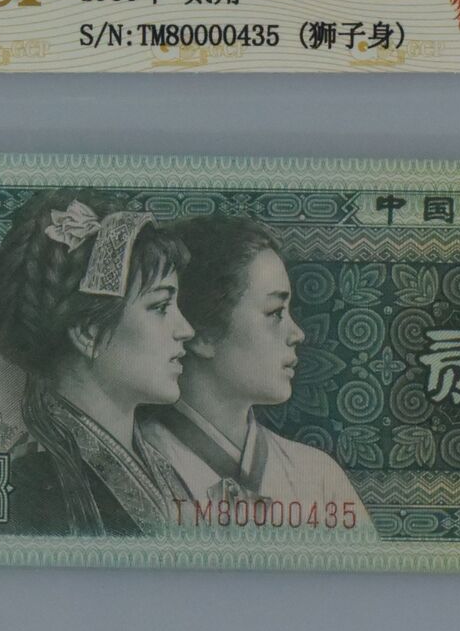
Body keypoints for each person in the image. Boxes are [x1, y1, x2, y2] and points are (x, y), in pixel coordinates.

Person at [0, 188, 194, 536]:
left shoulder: (162, 467)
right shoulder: (27, 495)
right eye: (160, 306)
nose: (186, 330)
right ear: (89, 332)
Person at [138, 215, 371, 529]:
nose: (297, 334)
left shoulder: (318, 477)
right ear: (202, 334)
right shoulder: (135, 469)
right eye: (275, 312)